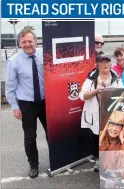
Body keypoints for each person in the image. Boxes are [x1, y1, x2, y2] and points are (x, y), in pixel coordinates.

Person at [5, 26, 47, 179]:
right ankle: (34, 165)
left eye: (30, 41)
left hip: (46, 102)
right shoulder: (13, 61)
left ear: (36, 41)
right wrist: (15, 107)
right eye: (24, 42)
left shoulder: (45, 55)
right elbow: (10, 88)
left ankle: (57, 160)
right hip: (27, 104)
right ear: (19, 43)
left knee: (53, 133)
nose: (27, 44)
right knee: (30, 137)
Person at [79, 54, 124, 171]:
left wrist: (114, 94)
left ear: (110, 64)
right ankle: (99, 160)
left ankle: (110, 161)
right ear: (97, 65)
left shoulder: (116, 77)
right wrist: (96, 91)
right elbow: (82, 96)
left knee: (110, 137)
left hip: (110, 114)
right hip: (95, 113)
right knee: (95, 137)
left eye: (107, 62)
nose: (105, 64)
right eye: (102, 62)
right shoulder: (91, 78)